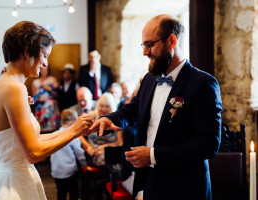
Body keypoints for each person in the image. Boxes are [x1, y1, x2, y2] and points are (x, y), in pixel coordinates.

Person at [89, 14, 222, 200]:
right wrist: (110, 119)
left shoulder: (203, 83)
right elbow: (133, 110)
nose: (145, 52)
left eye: (150, 44)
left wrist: (153, 155)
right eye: (143, 45)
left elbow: (209, 144)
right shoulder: (150, 79)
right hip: (151, 182)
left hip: (186, 187)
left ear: (172, 41)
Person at [0, 21, 93, 200]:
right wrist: (74, 131)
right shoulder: (14, 88)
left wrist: (71, 130)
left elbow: (32, 140)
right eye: (45, 55)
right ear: (27, 50)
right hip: (14, 185)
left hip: (11, 177)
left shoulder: (7, 83)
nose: (45, 63)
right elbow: (33, 153)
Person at [50, 109, 86, 200]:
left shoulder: (54, 134)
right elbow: (79, 153)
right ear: (73, 123)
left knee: (61, 192)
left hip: (57, 170)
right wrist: (84, 164)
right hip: (70, 171)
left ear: (61, 121)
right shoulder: (73, 136)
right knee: (74, 192)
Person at [32, 65, 59, 133]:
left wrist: (49, 89)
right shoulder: (35, 82)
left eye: (45, 70)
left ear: (48, 70)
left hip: (51, 109)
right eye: (42, 70)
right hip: (40, 109)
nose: (44, 72)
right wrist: (38, 99)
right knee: (41, 131)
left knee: (52, 130)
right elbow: (33, 98)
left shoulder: (52, 79)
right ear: (39, 70)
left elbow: (57, 95)